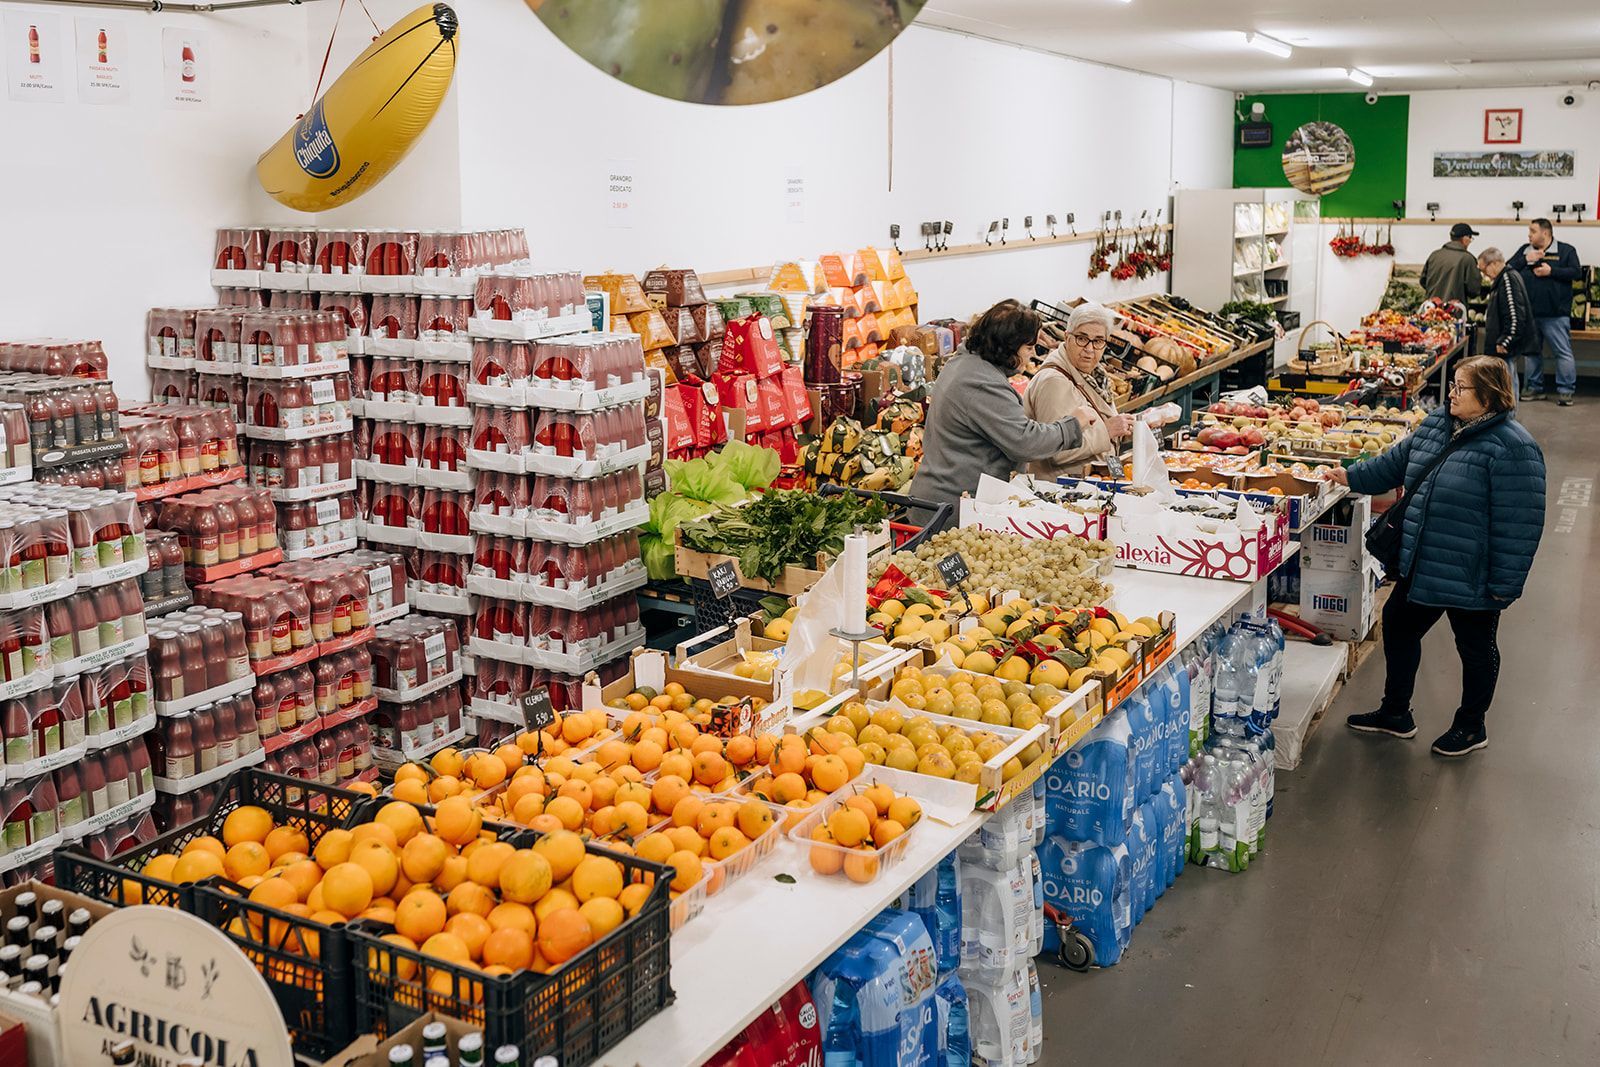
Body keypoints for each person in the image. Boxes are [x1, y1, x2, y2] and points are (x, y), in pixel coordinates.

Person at [1325, 356, 1545, 757]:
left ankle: (1471, 726)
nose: (1451, 393)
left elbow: (1520, 524)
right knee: (1398, 625)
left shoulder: (1514, 448)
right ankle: (1396, 712)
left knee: (1475, 649)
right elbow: (1395, 463)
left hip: (1471, 572)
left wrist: (1504, 585)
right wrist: (1351, 476)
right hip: (1424, 561)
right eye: (1453, 385)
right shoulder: (1437, 424)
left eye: (1461, 387)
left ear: (1489, 396)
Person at [908, 300, 1107, 520]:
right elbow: (1025, 442)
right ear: (1007, 347)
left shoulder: (966, 363)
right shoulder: (981, 383)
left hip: (947, 501)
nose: (1032, 354)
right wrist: (1073, 424)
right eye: (1028, 348)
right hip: (952, 509)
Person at [1021, 302, 1134, 480]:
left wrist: (1128, 428)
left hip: (1090, 483)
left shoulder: (1094, 375)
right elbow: (1056, 451)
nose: (1089, 349)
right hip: (1060, 489)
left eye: (1098, 341)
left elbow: (1098, 426)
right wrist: (1107, 431)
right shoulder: (1054, 381)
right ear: (1067, 337)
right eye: (1082, 338)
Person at [1508, 218, 1582, 405]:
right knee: (1531, 353)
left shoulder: (1566, 251)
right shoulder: (1525, 250)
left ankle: (1566, 392)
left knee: (1562, 352)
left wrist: (1552, 271)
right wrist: (1526, 259)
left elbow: (1576, 272)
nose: (1529, 235)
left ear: (1546, 233)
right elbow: (1507, 269)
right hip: (1530, 314)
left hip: (1556, 314)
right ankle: (1534, 388)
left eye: (1533, 231)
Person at [1477, 246, 1539, 397]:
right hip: (1503, 345)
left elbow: (1515, 314)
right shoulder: (1505, 278)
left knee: (1506, 387)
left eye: (1484, 270)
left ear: (1494, 264)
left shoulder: (1507, 279)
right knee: (1507, 384)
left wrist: (1506, 340)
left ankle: (1509, 412)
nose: (1484, 275)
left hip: (1505, 346)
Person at [1419, 223, 1483, 303]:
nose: (1470, 241)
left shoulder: (1434, 255)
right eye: (1470, 238)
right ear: (1465, 238)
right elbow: (1473, 290)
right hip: (1454, 308)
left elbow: (1423, 281)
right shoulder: (1468, 259)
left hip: (1432, 307)